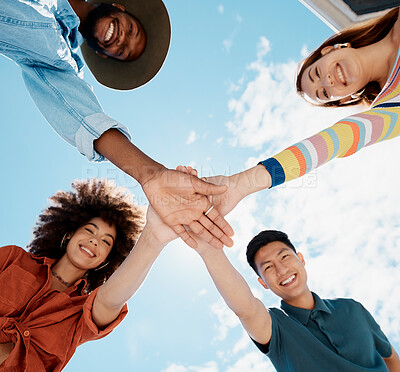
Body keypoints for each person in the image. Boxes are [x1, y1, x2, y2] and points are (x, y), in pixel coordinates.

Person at [0, 0, 234, 250]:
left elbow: (84, 119)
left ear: (103, 53)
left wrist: (151, 174)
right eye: (132, 30)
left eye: (123, 52)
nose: (124, 40)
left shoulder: (56, 57)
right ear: (118, 7)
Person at [190, 7, 400, 216]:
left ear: (329, 50)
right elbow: (335, 141)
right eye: (325, 93)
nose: (327, 81)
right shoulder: (392, 111)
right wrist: (239, 184)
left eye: (317, 73)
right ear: (345, 98)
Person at [0, 178, 177, 371]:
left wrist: (152, 237)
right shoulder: (14, 258)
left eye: (106, 242)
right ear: (70, 234)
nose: (94, 241)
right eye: (90, 231)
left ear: (107, 260)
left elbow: (111, 300)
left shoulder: (82, 312)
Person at [185, 228, 400, 371]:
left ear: (301, 259)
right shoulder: (276, 329)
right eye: (268, 267)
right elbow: (247, 309)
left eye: (285, 256)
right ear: (263, 283)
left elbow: (390, 356)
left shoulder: (352, 309)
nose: (281, 269)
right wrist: (210, 251)